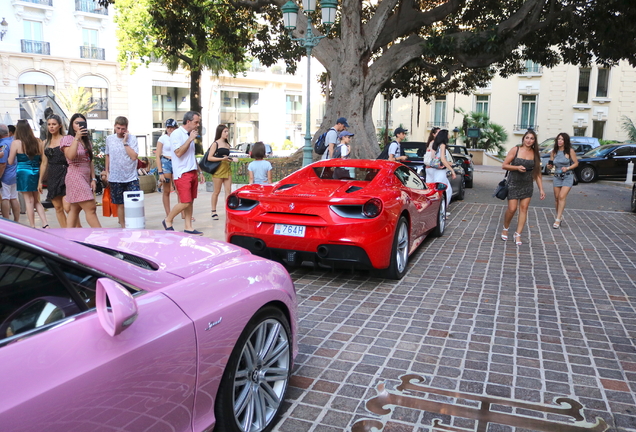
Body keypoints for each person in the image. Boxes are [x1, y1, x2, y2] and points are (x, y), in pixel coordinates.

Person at [500, 130, 546, 246]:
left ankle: (518, 234)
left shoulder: (535, 154)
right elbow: (504, 165)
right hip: (514, 182)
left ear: (534, 141)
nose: (529, 140)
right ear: (523, 139)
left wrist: (541, 189)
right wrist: (516, 168)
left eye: (532, 138)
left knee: (524, 208)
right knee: (512, 209)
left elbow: (538, 173)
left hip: (527, 184)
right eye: (527, 138)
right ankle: (505, 227)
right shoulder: (515, 150)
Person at [163, 110, 205, 234]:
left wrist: (200, 172)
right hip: (182, 173)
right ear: (188, 121)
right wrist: (190, 139)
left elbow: (191, 156)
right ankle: (168, 219)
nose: (198, 125)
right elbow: (179, 153)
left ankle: (188, 226)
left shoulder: (189, 135)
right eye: (196, 122)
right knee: (185, 201)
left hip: (192, 171)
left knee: (190, 200)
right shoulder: (177, 134)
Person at [61, 113, 101, 228]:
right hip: (75, 176)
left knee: (75, 209)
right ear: (72, 125)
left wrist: (93, 178)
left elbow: (90, 161)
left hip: (85, 176)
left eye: (82, 123)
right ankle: (101, 236)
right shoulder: (68, 139)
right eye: (76, 123)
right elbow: (70, 156)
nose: (79, 125)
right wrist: (76, 138)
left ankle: (69, 237)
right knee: (91, 208)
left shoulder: (86, 141)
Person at [8, 120, 49, 228]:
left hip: (23, 173)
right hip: (35, 171)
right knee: (36, 200)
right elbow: (42, 159)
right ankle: (45, 223)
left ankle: (32, 225)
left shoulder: (16, 143)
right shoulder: (38, 141)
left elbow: (10, 161)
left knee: (28, 201)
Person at [105, 116, 139, 228]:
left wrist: (125, 142)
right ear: (114, 126)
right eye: (118, 128)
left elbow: (134, 157)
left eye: (123, 129)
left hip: (131, 176)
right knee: (119, 204)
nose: (120, 131)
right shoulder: (109, 139)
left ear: (127, 128)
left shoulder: (132, 139)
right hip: (115, 176)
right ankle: (123, 226)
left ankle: (134, 223)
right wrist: (107, 171)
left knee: (134, 203)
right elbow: (107, 155)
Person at [38, 114, 72, 228]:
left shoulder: (65, 139)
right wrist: (40, 181)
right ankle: (66, 233)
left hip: (65, 173)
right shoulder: (45, 143)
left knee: (68, 208)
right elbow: (44, 163)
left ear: (59, 125)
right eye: (49, 124)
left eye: (54, 124)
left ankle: (75, 231)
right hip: (52, 175)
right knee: (58, 208)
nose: (51, 127)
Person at [546, 133, 578, 229]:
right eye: (558, 139)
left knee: (561, 196)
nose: (560, 141)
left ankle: (558, 219)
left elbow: (576, 163)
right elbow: (551, 165)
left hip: (568, 176)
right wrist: (549, 166)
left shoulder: (570, 151)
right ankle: (559, 215)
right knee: (556, 198)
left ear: (565, 141)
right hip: (557, 176)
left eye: (562, 139)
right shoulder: (554, 152)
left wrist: (568, 168)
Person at [209, 124, 235, 220]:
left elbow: (226, 158)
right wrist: (222, 158)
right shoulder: (215, 143)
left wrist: (230, 159)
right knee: (217, 191)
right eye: (225, 131)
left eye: (227, 131)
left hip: (227, 169)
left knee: (228, 191)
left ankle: (228, 210)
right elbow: (209, 157)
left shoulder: (227, 144)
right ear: (220, 132)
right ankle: (213, 211)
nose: (227, 133)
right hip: (218, 169)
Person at [425, 129, 456, 210]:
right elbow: (442, 159)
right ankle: (442, 211)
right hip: (440, 171)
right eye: (448, 134)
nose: (449, 136)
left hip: (433, 169)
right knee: (447, 190)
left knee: (433, 191)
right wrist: (452, 170)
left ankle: (433, 209)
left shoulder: (434, 144)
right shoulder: (442, 145)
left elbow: (433, 157)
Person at [156, 118, 178, 216]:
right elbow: (157, 155)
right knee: (166, 190)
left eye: (172, 127)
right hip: (166, 162)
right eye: (168, 127)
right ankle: (168, 214)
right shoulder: (163, 138)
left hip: (176, 162)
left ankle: (183, 213)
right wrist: (160, 172)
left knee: (179, 188)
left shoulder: (178, 137)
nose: (170, 129)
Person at [0, 124, 20, 222]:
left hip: (6, 175)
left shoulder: (2, 145)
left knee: (5, 198)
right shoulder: (14, 142)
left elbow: (3, 163)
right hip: (15, 174)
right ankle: (16, 220)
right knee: (14, 198)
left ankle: (7, 220)